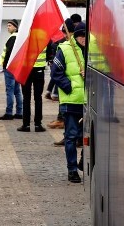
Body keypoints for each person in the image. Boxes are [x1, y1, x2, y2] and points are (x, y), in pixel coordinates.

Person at [50, 21, 87, 183]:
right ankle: (72, 170)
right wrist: (70, 86)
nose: (84, 38)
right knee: (71, 137)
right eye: (80, 35)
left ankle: (82, 160)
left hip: (90, 101)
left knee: (90, 136)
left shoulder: (94, 50)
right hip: (71, 101)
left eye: (86, 35)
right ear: (75, 35)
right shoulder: (64, 49)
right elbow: (55, 73)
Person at [17, 19, 47, 133]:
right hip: (39, 70)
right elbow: (49, 51)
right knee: (38, 98)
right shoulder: (44, 34)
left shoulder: (24, 36)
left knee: (26, 98)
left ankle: (26, 125)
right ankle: (38, 125)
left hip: (26, 70)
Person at [0, 20, 23, 120]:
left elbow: (9, 54)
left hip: (10, 68)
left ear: (15, 27)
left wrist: (5, 66)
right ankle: (19, 112)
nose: (8, 27)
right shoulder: (19, 37)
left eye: (10, 25)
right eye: (7, 25)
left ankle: (9, 112)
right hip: (17, 67)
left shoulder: (12, 38)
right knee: (17, 90)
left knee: (10, 91)